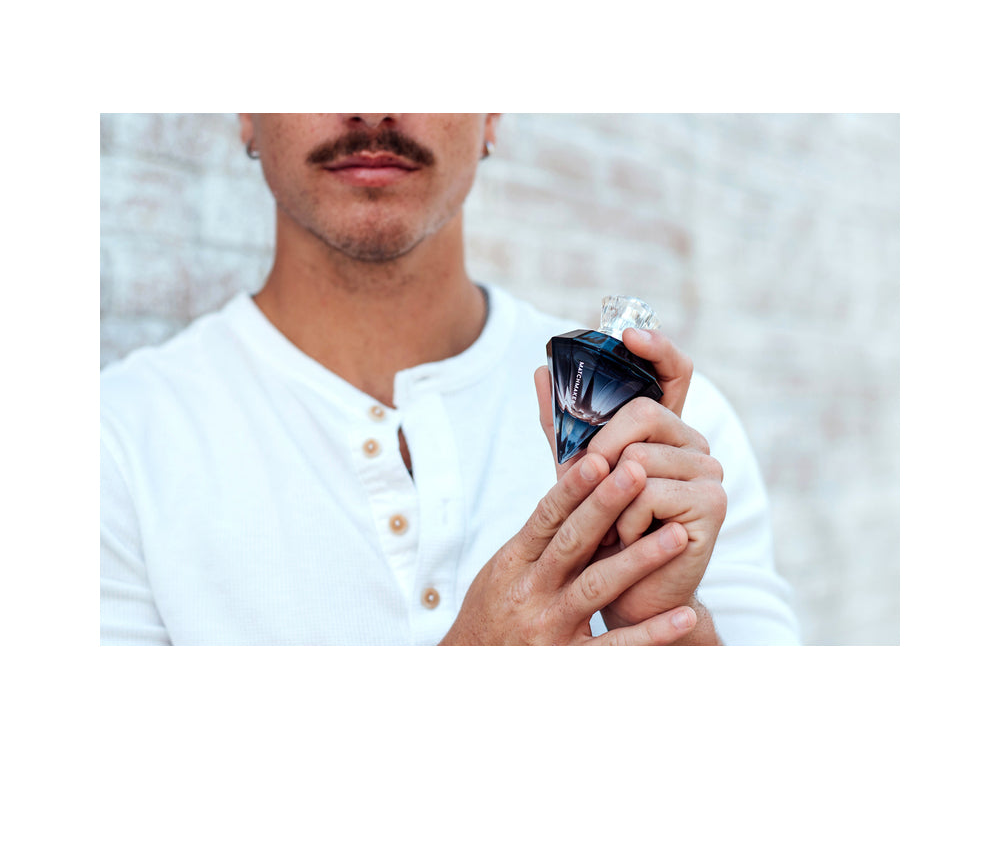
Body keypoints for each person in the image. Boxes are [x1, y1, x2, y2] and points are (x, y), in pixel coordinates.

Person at [100, 114, 800, 645]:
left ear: (491, 113)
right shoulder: (116, 445)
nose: (371, 106)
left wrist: (666, 624)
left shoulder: (670, 433)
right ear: (247, 112)